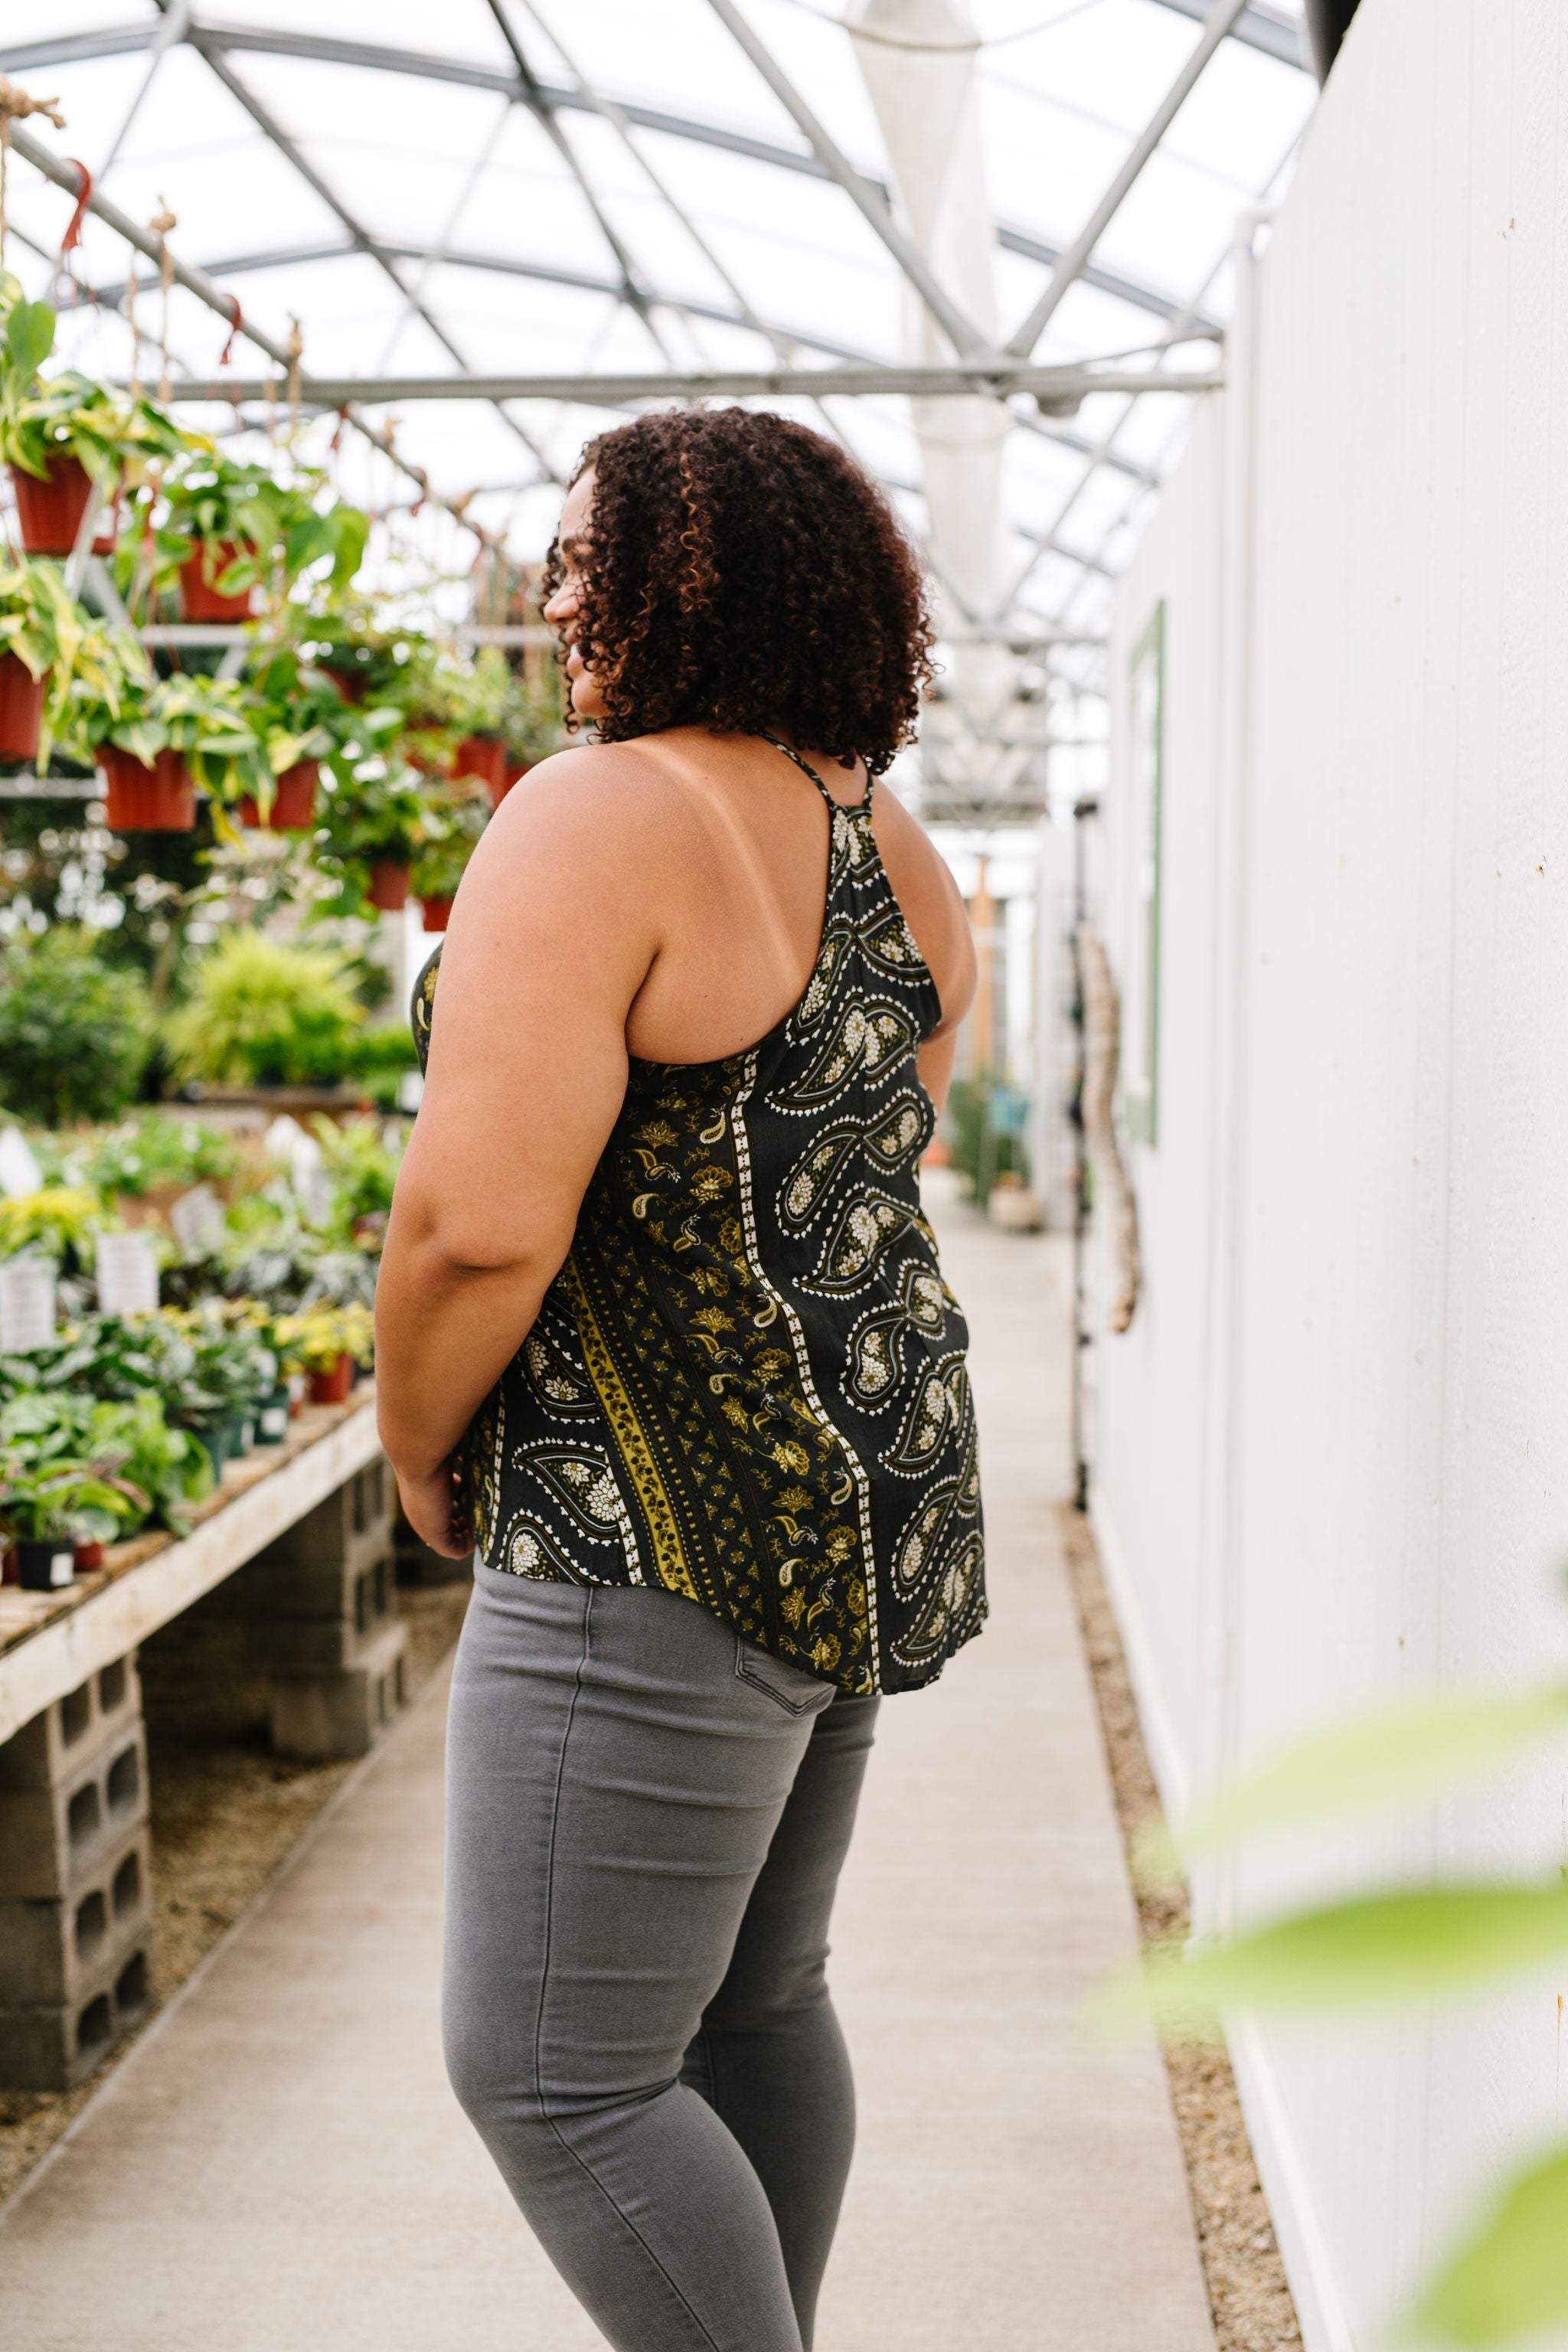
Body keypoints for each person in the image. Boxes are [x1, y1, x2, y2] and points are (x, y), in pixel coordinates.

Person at [375, 406, 986, 2352]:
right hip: (848, 1504)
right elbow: (875, 1172)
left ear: (681, 583)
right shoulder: (892, 849)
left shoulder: (596, 812)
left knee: (552, 2070)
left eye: (585, 552)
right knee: (748, 2000)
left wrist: (414, 1446)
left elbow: (478, 1223)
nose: (558, 590)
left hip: (654, 1522)